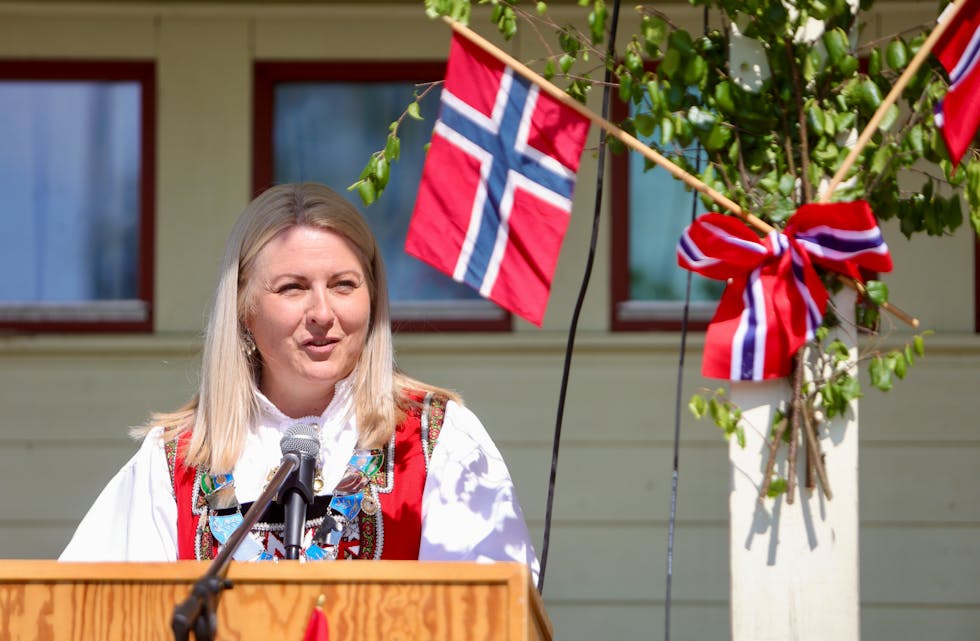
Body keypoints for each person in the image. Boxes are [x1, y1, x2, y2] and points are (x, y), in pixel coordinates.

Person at [60, 182, 539, 580]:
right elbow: (82, 613)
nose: (323, 314)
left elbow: (493, 614)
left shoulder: (437, 440)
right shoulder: (175, 461)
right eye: (292, 288)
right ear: (244, 309)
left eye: (343, 285)